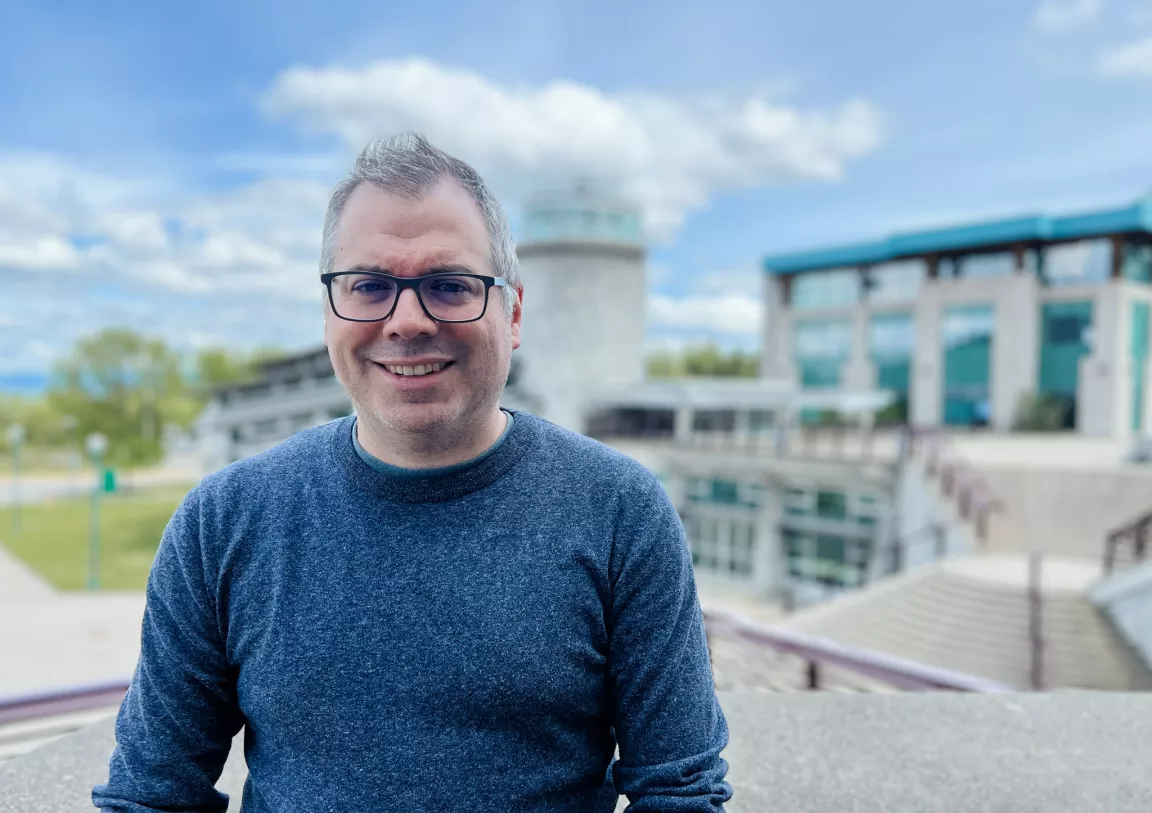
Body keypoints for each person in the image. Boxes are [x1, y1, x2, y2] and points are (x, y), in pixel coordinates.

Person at [93, 133, 731, 812]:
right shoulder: (222, 521)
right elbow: (151, 795)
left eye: (449, 285)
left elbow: (679, 791)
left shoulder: (620, 511)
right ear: (329, 309)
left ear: (511, 313)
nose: (406, 320)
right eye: (368, 285)